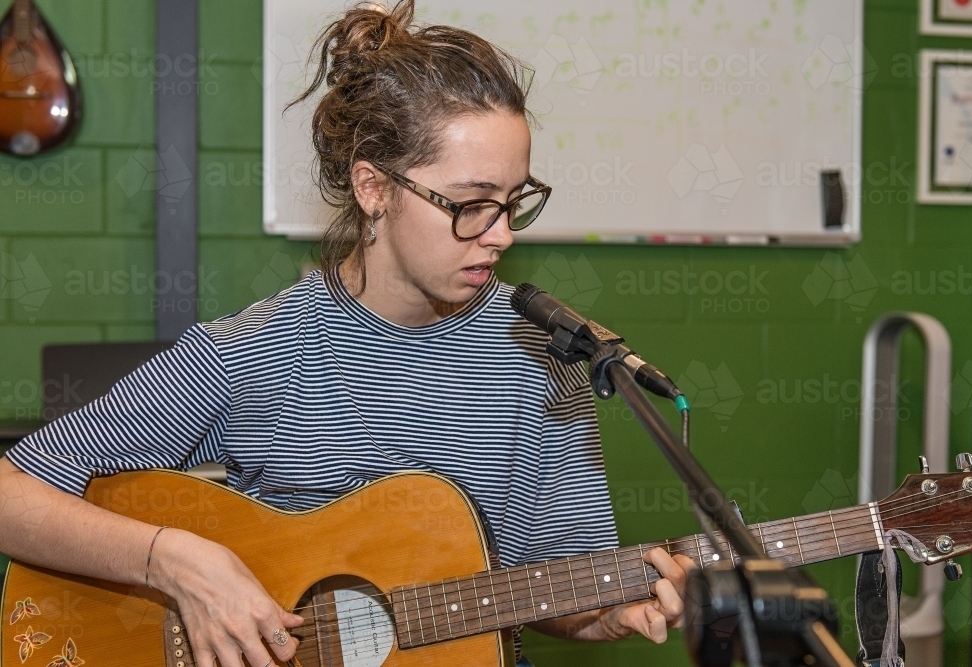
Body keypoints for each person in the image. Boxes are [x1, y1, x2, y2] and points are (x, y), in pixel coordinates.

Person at [0, 2, 693, 666]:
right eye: (473, 204)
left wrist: (601, 613)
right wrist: (173, 559)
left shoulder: (547, 349)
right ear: (373, 188)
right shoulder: (258, 348)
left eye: (515, 203)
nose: (503, 234)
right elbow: (11, 492)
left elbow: (544, 583)